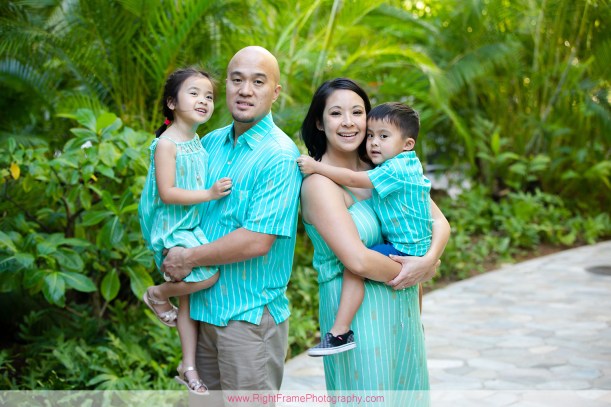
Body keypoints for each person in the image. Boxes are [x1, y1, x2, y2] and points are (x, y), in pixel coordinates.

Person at [161, 46, 302, 393]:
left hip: (248, 321)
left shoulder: (279, 156)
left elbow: (257, 240)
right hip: (201, 313)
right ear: (225, 84)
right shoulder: (208, 143)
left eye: (258, 82)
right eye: (237, 80)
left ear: (275, 92)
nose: (245, 90)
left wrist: (187, 257)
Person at [299, 78, 450, 400]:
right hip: (359, 319)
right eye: (336, 113)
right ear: (319, 122)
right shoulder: (319, 184)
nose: (349, 122)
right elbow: (358, 260)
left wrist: (427, 261)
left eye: (357, 112)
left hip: (405, 310)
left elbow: (437, 220)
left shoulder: (385, 170)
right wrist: (417, 270)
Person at [297, 102, 432, 357]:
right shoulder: (405, 165)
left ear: (407, 144)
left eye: (383, 137)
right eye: (371, 135)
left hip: (406, 247)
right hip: (414, 246)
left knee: (353, 271)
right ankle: (417, 323)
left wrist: (316, 167)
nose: (374, 143)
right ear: (319, 122)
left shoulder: (393, 170)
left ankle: (340, 332)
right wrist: (428, 263)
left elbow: (352, 179)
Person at [138, 68, 233, 395]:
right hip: (173, 228)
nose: (203, 100)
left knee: (189, 302)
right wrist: (210, 194)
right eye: (194, 93)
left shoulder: (196, 140)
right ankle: (157, 294)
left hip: (192, 226)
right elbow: (167, 193)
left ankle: (188, 366)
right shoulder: (166, 144)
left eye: (208, 96)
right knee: (208, 276)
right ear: (171, 102)